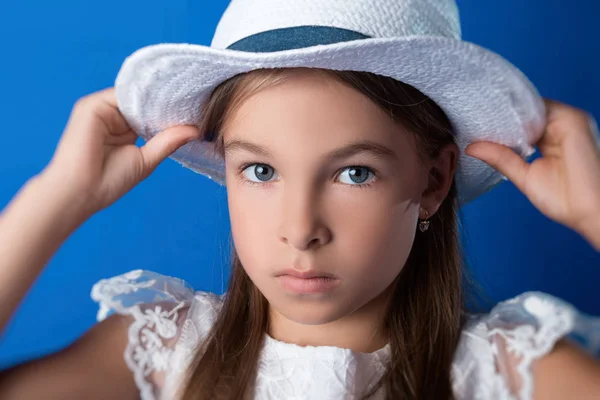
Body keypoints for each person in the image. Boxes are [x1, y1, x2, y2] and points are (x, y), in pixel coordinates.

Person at [1, 1, 600, 399]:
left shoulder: (510, 374)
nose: (300, 229)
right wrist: (56, 199)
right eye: (260, 170)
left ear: (433, 182)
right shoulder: (165, 352)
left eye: (355, 174)